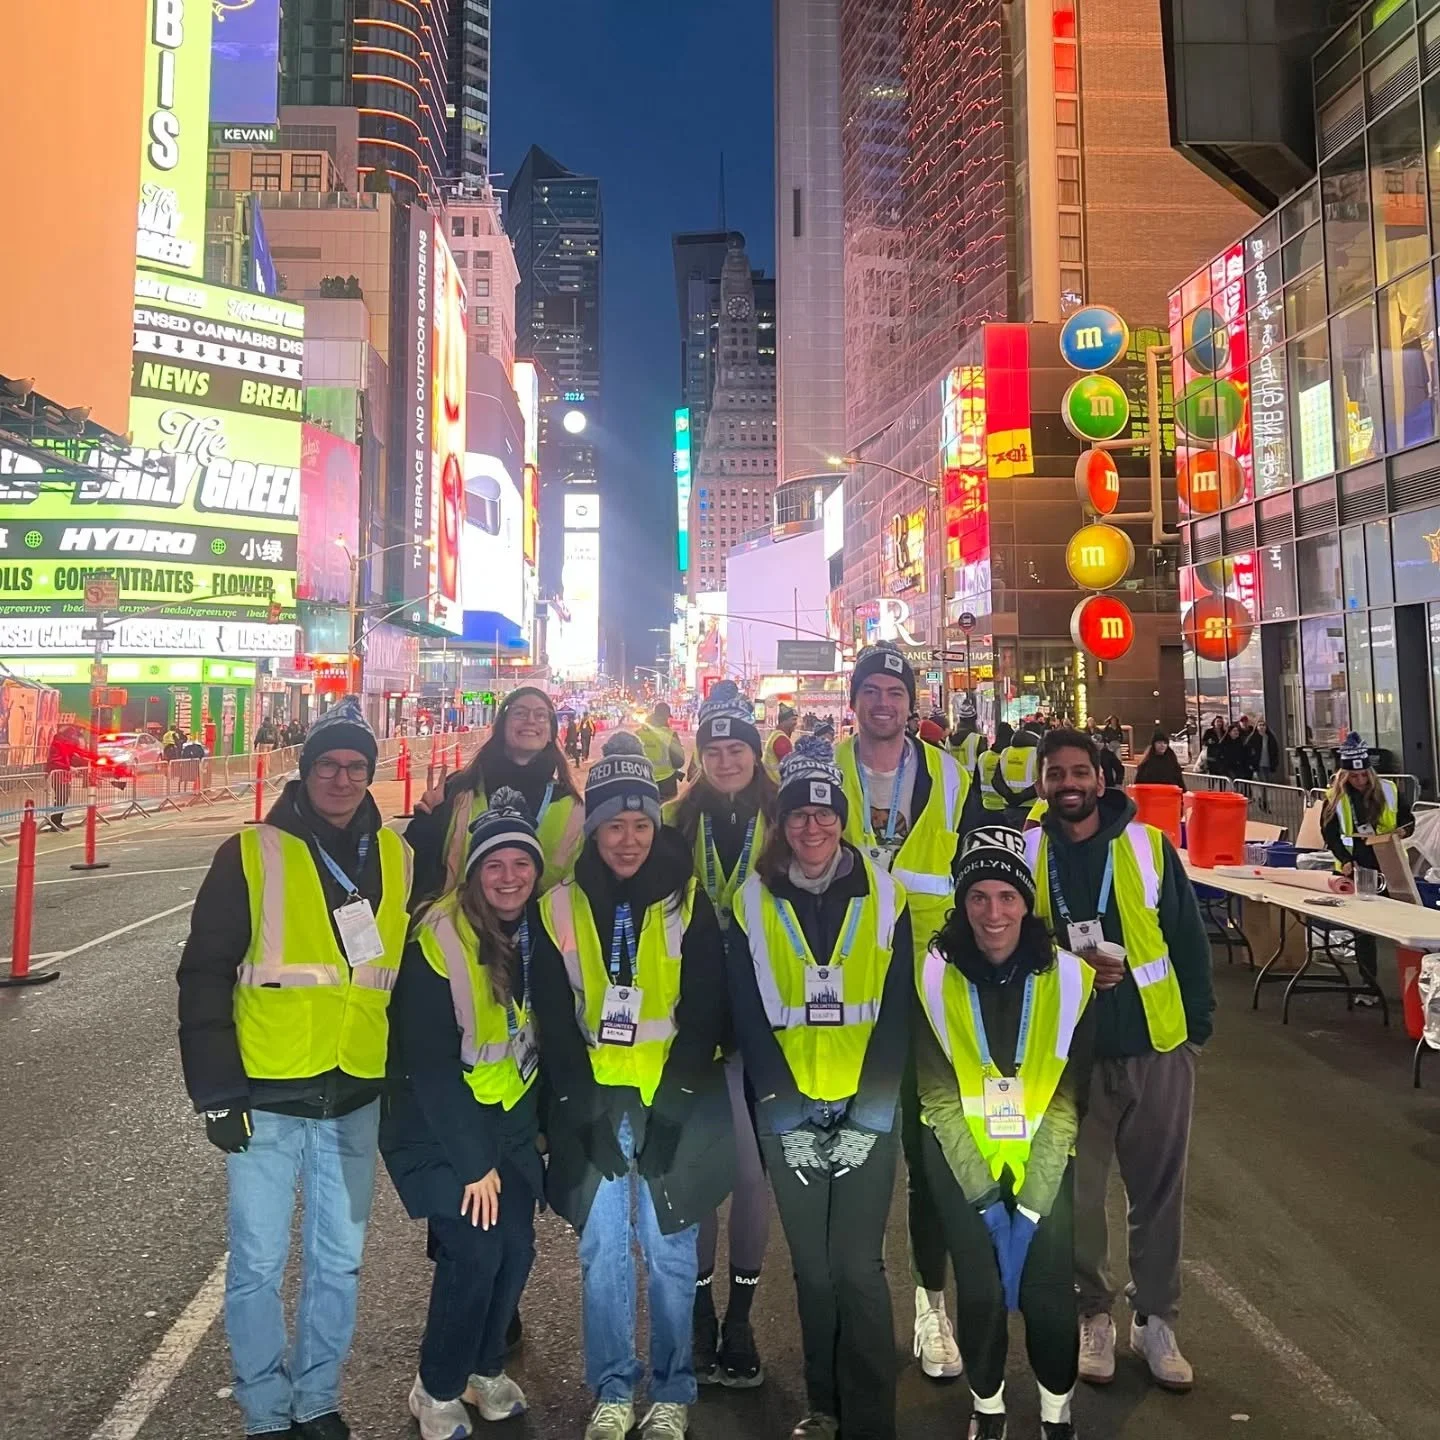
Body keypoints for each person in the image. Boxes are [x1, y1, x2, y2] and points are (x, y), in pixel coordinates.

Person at [177, 697, 414, 1440]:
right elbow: (204, 974)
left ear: (370, 773)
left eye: (356, 766)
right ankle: (264, 1411)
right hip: (268, 1093)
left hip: (355, 1093)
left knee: (339, 1262)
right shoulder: (252, 852)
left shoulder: (399, 857)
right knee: (256, 1263)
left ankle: (316, 1400)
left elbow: (405, 979)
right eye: (328, 765)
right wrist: (217, 1094)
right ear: (305, 771)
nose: (342, 779)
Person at [529, 733, 735, 1440]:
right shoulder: (559, 906)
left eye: (641, 824)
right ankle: (614, 1389)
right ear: (592, 828)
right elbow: (555, 1020)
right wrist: (583, 1113)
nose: (628, 840)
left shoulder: (686, 902)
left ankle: (672, 1390)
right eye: (613, 825)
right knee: (602, 1254)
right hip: (597, 1106)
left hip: (669, 1106)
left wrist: (672, 1110)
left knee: (672, 1251)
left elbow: (704, 1012)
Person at [728, 736, 913, 1440]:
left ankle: (871, 1418)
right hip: (790, 1116)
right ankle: (824, 1405)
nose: (812, 826)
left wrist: (871, 1115)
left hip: (867, 1110)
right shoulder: (750, 901)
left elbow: (897, 1011)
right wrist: (783, 1114)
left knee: (857, 1267)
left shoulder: (885, 893)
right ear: (781, 824)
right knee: (813, 1268)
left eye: (825, 813)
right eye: (799, 815)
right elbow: (749, 1014)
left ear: (842, 817)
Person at [1027, 728, 1213, 1392]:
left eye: (1079, 771)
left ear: (1101, 779)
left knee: (1158, 1196)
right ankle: (1093, 1315)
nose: (1068, 783)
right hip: (1064, 1055)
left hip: (1155, 1048)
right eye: (1055, 773)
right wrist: (1064, 962)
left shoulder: (1146, 846)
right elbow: (1003, 938)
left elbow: (1187, 941)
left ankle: (1156, 1319)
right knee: (1076, 1200)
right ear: (1042, 783)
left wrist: (1196, 1032)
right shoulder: (1027, 851)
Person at [914, 827, 1097, 1440]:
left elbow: (1069, 1101)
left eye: (1006, 897)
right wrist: (986, 1202)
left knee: (1048, 1291)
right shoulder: (932, 978)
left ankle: (1055, 1414)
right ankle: (987, 1409)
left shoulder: (1071, 980)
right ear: (962, 904)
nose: (993, 913)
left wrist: (1032, 1204)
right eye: (978, 897)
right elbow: (938, 1096)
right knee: (982, 1289)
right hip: (960, 1155)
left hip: (1046, 1153)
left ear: (1025, 903)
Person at [382, 790, 543, 1439]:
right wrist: (475, 1163)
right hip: (437, 1125)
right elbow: (428, 1064)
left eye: (521, 864)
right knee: (476, 1249)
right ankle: (437, 1385)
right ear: (473, 872)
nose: (509, 877)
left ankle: (483, 1368)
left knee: (518, 1248)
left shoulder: (534, 932)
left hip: (507, 1116)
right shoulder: (438, 935)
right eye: (494, 865)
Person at [833, 643, 971, 1383]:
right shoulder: (822, 771)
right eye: (871, 691)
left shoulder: (952, 777)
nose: (883, 703)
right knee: (844, 1154)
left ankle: (929, 1304)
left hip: (928, 991)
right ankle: (847, 1311)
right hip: (841, 990)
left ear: (911, 704)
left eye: (894, 691)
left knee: (929, 1154)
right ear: (854, 702)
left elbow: (979, 877)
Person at [662, 680, 775, 1386]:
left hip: (768, 1019)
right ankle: (703, 1310)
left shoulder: (786, 816)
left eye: (738, 748)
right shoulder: (674, 822)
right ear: (699, 756)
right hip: (693, 1017)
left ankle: (742, 1317)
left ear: (755, 753)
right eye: (715, 749)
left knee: (753, 1176)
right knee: (702, 1172)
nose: (727, 760)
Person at [405, 686, 584, 902]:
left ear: (550, 734)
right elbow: (417, 868)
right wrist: (427, 822)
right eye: (520, 713)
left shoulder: (570, 804)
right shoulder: (460, 789)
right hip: (462, 918)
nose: (530, 720)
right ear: (502, 726)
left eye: (541, 715)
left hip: (540, 922)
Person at [1320, 735, 1413, 999]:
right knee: (1363, 931)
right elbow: (1330, 833)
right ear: (1344, 776)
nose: (1360, 781)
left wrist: (1403, 831)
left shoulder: (1389, 790)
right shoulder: (1334, 797)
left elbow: (1407, 819)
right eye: (1353, 776)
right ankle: (1368, 986)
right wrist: (1344, 859)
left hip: (1388, 864)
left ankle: (1413, 982)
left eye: (1363, 775)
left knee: (1406, 924)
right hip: (1356, 867)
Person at [979, 725, 1042, 829]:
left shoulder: (1005, 752)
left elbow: (996, 780)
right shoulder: (1038, 754)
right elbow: (1043, 782)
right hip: (1032, 810)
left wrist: (1010, 797)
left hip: (1009, 809)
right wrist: (1020, 797)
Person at [638, 701, 687, 801]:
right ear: (665, 716)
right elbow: (679, 762)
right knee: (667, 809)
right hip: (666, 783)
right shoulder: (670, 735)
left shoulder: (638, 733)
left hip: (643, 781)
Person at [948, 696, 985, 773]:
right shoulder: (977, 739)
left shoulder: (949, 740)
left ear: (960, 719)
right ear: (973, 720)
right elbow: (983, 763)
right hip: (971, 779)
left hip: (954, 778)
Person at [763, 703, 799, 781]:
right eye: (793, 719)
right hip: (776, 783)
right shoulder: (782, 740)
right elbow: (789, 767)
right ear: (784, 721)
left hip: (769, 780)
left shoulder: (776, 734)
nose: (796, 723)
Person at [1245, 717, 1279, 784]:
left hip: (1268, 763)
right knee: (1262, 781)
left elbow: (1275, 750)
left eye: (1263, 725)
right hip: (1258, 763)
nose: (1262, 727)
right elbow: (1247, 749)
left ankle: (1265, 791)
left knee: (1267, 781)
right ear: (1257, 727)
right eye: (1260, 725)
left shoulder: (1270, 737)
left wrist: (1275, 762)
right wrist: (1251, 761)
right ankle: (1263, 791)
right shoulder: (1252, 737)